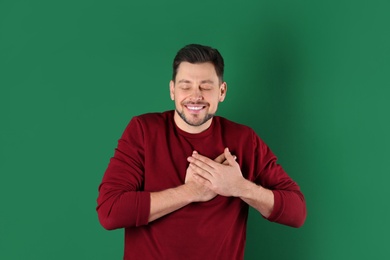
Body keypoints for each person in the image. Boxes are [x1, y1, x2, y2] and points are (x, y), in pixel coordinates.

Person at [96, 44, 306, 259]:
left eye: (205, 87)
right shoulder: (143, 130)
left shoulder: (244, 139)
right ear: (172, 90)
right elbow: (110, 212)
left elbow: (296, 212)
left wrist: (239, 187)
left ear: (222, 91)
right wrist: (192, 192)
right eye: (185, 86)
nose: (195, 96)